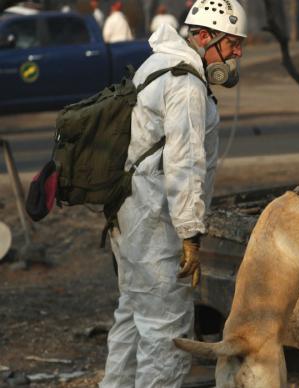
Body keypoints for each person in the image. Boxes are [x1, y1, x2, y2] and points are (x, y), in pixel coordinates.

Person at [98, 0, 246, 386]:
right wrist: (190, 233)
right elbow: (184, 165)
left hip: (130, 214)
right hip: (154, 223)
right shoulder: (186, 85)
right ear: (203, 37)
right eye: (232, 43)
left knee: (132, 316)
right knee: (166, 332)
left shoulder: (158, 63)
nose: (238, 52)